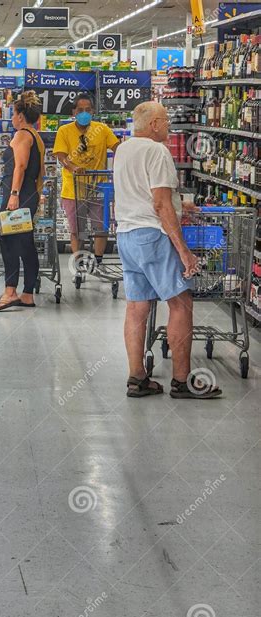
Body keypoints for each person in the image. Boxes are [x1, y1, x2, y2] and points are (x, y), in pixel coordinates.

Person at [113, 101, 222, 399]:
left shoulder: (124, 149)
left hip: (126, 235)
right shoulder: (158, 151)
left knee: (137, 307)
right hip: (153, 237)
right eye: (166, 120)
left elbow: (144, 193)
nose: (170, 126)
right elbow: (159, 204)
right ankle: (182, 381)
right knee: (181, 303)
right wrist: (184, 251)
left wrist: (179, 204)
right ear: (154, 125)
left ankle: (137, 378)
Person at [0, 91, 45, 312]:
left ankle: (10, 291)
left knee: (10, 243)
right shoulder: (36, 135)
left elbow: (20, 166)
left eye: (13, 113)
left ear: (21, 115)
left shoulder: (22, 135)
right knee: (25, 243)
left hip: (19, 196)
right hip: (28, 194)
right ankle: (27, 293)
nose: (11, 118)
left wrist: (13, 195)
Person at [53, 93, 120, 264]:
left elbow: (117, 147)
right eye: (80, 110)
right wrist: (73, 168)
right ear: (74, 112)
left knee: (101, 227)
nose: (84, 113)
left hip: (99, 188)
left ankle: (98, 260)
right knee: (77, 230)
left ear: (93, 111)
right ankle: (79, 261)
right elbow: (61, 156)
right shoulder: (64, 131)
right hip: (73, 190)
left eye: (88, 110)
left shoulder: (102, 129)